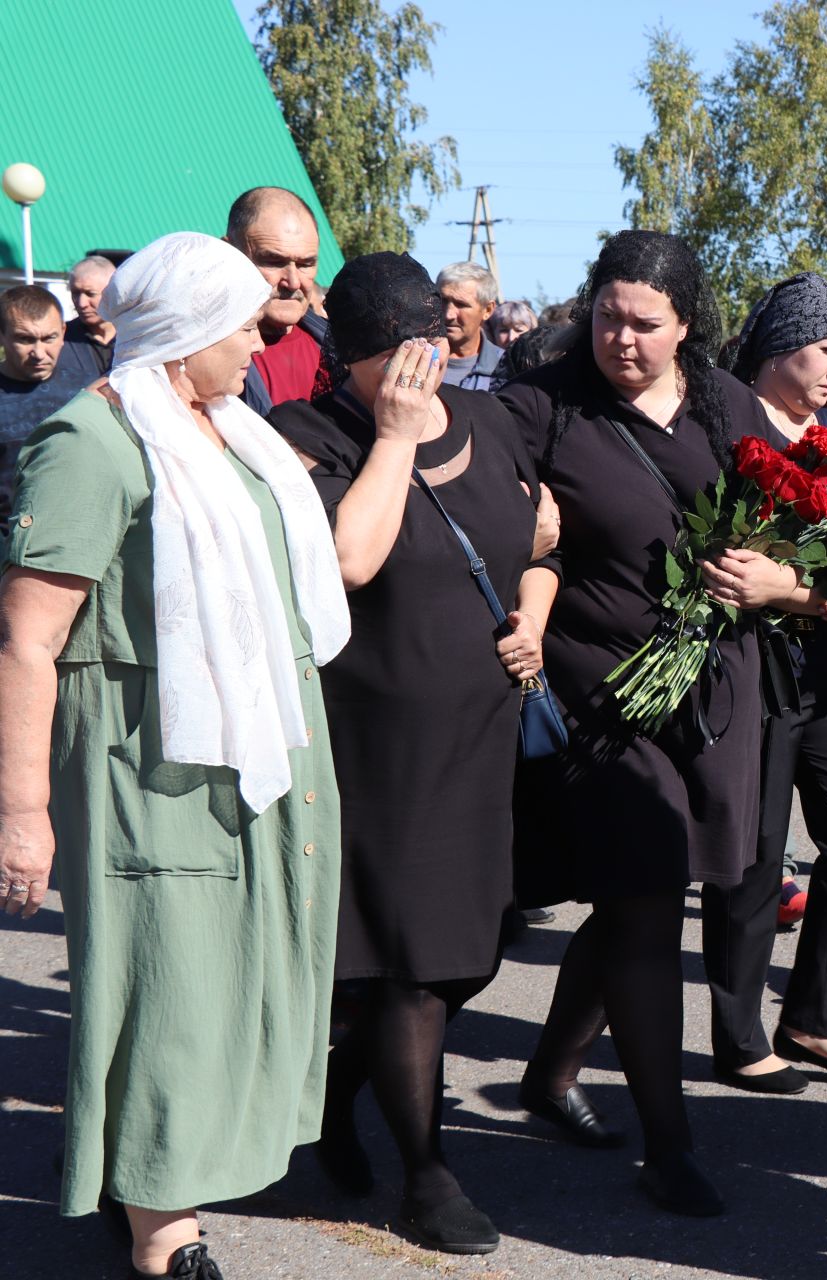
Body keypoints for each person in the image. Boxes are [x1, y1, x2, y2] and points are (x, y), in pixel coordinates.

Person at [0, 231, 350, 1280]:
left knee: (229, 988)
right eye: (242, 319)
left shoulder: (230, 432)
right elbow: (26, 638)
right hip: (150, 770)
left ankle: (168, 1198)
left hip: (247, 752)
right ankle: (166, 1241)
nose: (261, 336)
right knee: (170, 995)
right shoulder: (94, 442)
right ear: (189, 327)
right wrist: (23, 810)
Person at [270, 253, 560, 1254]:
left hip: (487, 740)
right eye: (391, 357)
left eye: (426, 350)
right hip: (379, 748)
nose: (414, 372)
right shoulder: (307, 438)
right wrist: (391, 438)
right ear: (347, 358)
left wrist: (533, 606)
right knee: (411, 964)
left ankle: (348, 1075)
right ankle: (425, 1173)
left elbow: (543, 539)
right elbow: (350, 557)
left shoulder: (497, 422)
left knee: (471, 953)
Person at [496, 230, 763, 1217]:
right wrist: (523, 528)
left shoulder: (727, 402)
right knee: (647, 899)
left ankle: (552, 1071)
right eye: (608, 313)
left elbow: (805, 505)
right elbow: (472, 473)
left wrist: (784, 574)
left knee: (632, 900)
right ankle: (670, 1143)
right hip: (599, 697)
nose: (621, 337)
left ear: (686, 325)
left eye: (645, 322)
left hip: (709, 684)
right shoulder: (548, 403)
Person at [699, 272, 827, 1094]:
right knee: (751, 857)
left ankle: (817, 1020)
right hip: (752, 668)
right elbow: (714, 558)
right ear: (781, 345)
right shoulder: (721, 423)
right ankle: (740, 1036)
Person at [228, 187, 332, 412]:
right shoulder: (199, 360)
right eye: (273, 261)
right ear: (229, 252)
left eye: (306, 264)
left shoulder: (343, 354)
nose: (293, 282)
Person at [1, 286, 95, 521]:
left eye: (49, 338)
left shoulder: (88, 392)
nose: (39, 353)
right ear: (2, 335)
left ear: (63, 332)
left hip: (77, 535)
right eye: (25, 339)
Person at [437, 262, 506, 391]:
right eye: (442, 301)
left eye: (461, 304)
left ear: (487, 310)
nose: (448, 315)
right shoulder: (413, 360)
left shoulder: (503, 369)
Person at [64, 255, 118, 374]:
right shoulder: (61, 339)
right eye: (75, 293)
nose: (81, 303)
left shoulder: (135, 338)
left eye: (91, 294)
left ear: (113, 292)